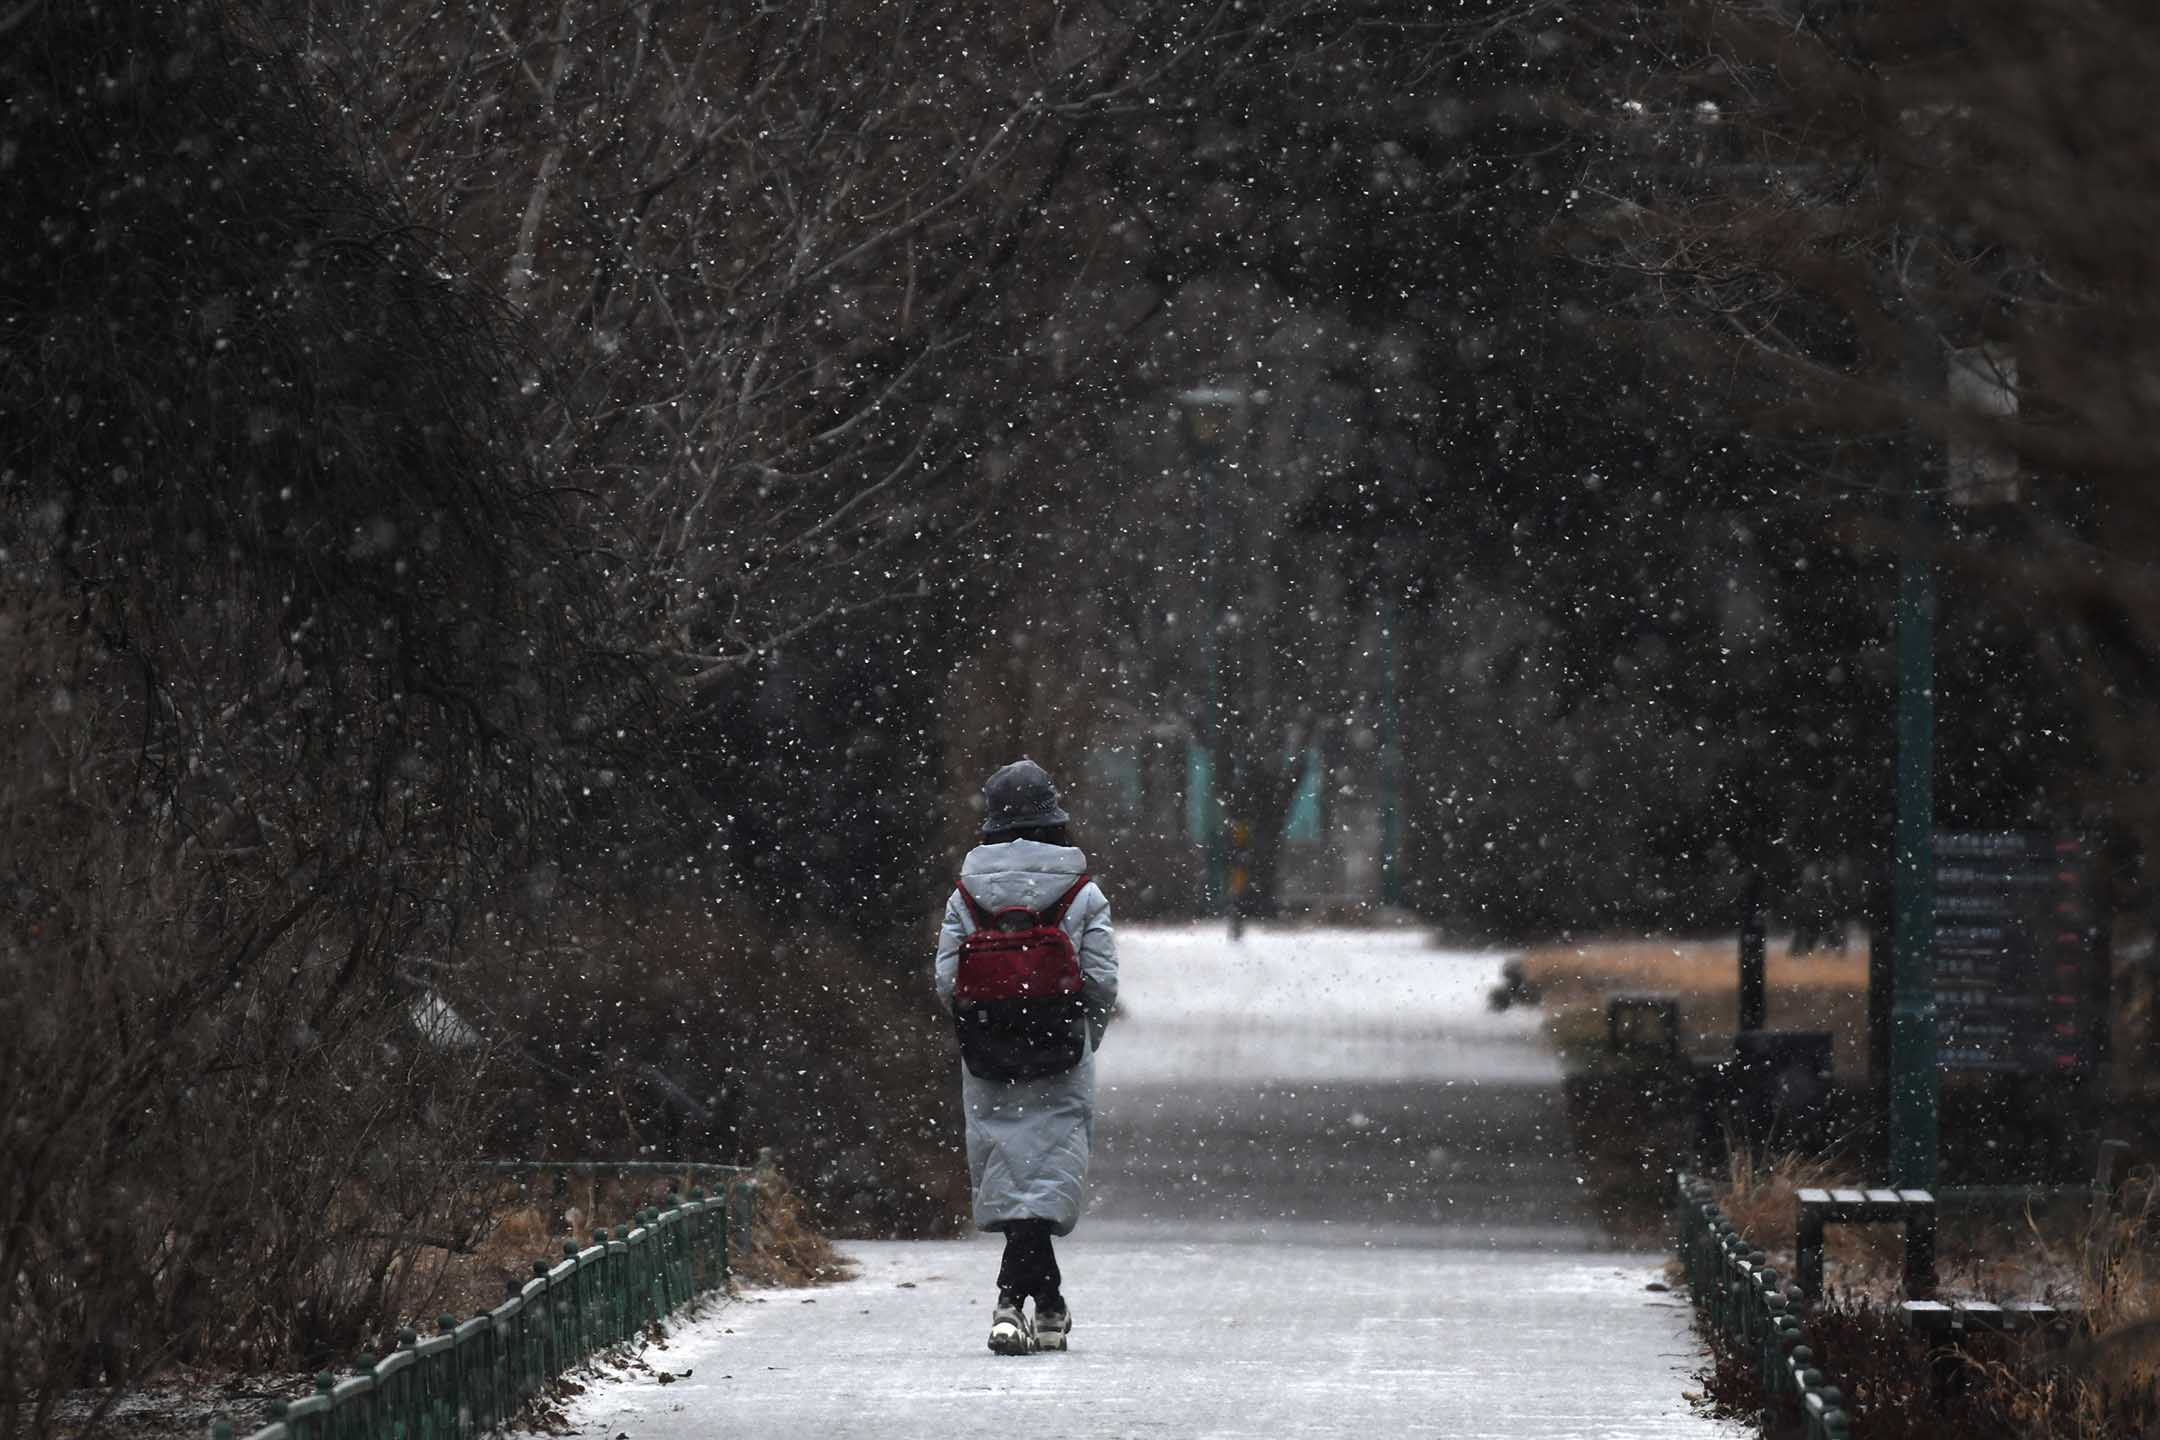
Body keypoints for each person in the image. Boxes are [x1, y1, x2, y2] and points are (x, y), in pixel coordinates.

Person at [934, 759, 1117, 1355]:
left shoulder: (965, 894)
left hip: (989, 1054)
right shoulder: (1083, 893)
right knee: (1044, 1173)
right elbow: (1102, 981)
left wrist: (985, 1022)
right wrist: (1080, 1034)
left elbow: (947, 980)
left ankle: (1038, 1305)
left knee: (1010, 1171)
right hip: (1061, 1052)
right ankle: (1020, 1306)